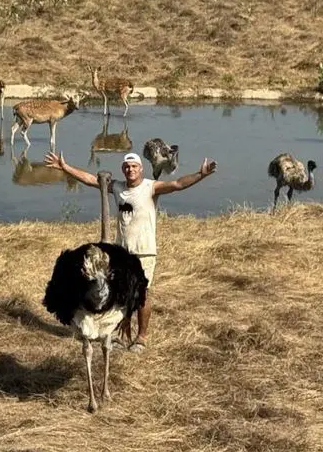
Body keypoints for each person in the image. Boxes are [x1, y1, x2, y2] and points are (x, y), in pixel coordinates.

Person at [43, 149, 217, 352]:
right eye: (127, 167)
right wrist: (65, 167)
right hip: (121, 253)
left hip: (144, 250)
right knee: (120, 293)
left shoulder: (150, 187)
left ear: (141, 169)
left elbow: (177, 184)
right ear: (123, 170)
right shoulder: (117, 187)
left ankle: (141, 337)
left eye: (134, 166)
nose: (130, 169)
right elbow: (91, 180)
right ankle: (120, 334)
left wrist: (201, 174)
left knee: (142, 294)